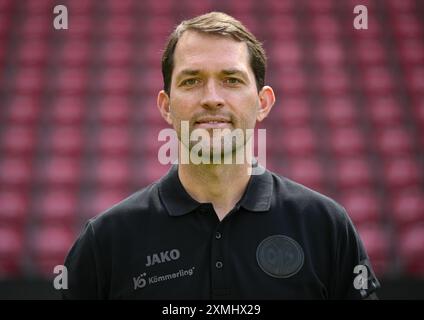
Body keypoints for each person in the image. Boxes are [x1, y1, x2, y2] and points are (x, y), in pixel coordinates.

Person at [63, 12, 380, 300]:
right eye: (191, 81)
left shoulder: (326, 226)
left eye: (231, 80)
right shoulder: (106, 240)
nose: (212, 98)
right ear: (166, 106)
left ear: (263, 103)